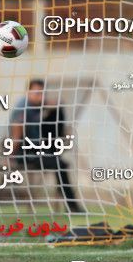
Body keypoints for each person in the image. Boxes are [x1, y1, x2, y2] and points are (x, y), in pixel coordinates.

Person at [10, 79, 83, 213]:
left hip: (40, 148)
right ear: (28, 92)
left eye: (42, 93)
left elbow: (56, 103)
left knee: (58, 110)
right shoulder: (22, 108)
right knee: (61, 165)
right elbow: (16, 135)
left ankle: (54, 150)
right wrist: (11, 156)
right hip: (26, 152)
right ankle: (72, 205)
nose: (40, 96)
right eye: (37, 93)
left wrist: (46, 102)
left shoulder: (37, 105)